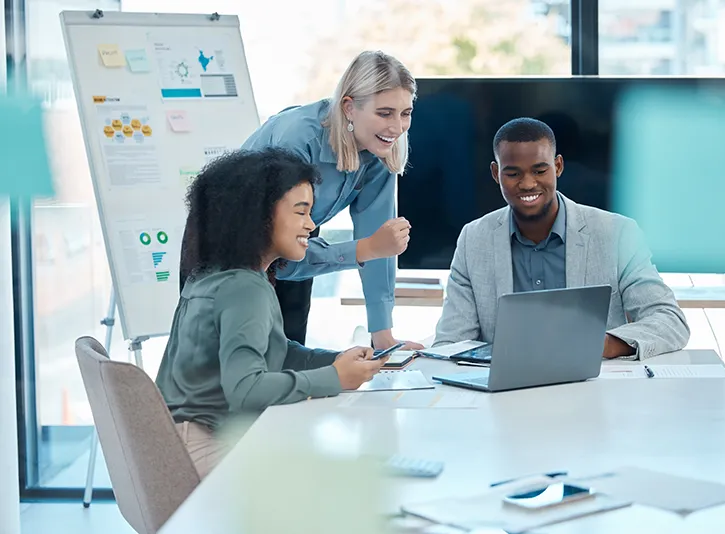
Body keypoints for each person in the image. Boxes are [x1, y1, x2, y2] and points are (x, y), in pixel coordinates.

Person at [159, 149, 388, 478]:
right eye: (301, 212)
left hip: (179, 446)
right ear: (260, 215)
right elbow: (247, 390)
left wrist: (338, 360)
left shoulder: (214, 276)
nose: (311, 225)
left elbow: (274, 350)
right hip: (207, 453)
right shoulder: (245, 288)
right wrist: (336, 378)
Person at [433, 118, 690, 359]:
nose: (527, 184)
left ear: (558, 166)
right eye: (513, 174)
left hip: (594, 389)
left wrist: (602, 344)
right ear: (495, 173)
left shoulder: (617, 233)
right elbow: (452, 341)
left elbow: (669, 320)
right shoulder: (474, 239)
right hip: (503, 393)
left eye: (539, 170)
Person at [242, 50, 424, 351]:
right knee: (247, 371)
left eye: (405, 113)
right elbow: (278, 257)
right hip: (236, 246)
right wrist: (365, 248)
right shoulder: (298, 139)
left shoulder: (379, 149)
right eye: (385, 113)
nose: (397, 127)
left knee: (291, 360)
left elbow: (378, 242)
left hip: (295, 239)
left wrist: (383, 336)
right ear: (349, 108)